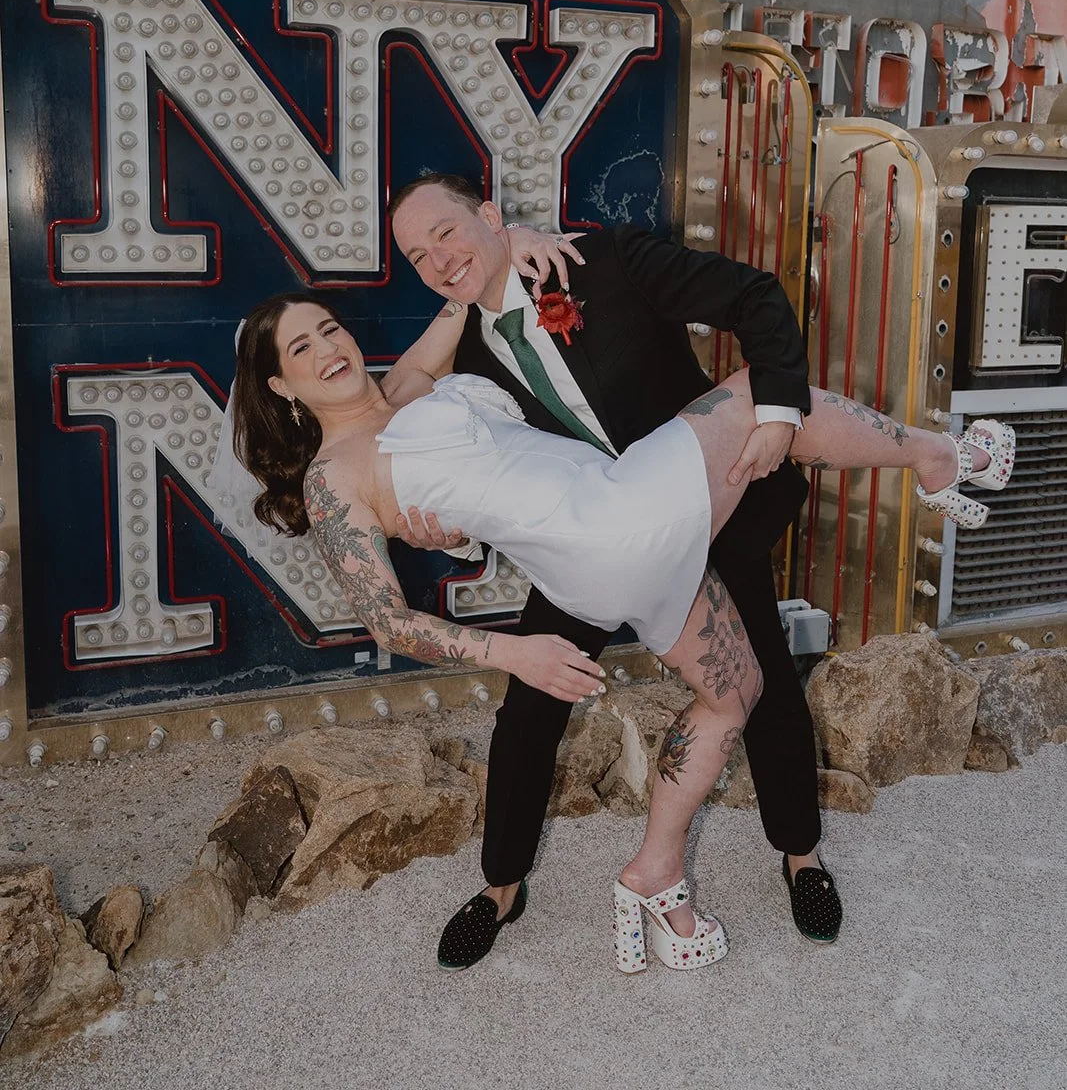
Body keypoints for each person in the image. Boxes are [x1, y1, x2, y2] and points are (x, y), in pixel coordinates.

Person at [227, 281, 1013, 973]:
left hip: (620, 544)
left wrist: (511, 245)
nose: (328, 346)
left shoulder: (402, 386)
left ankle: (656, 870)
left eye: (328, 326)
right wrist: (518, 651)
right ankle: (938, 456)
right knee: (756, 395)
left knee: (736, 693)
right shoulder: (333, 476)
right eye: (302, 346)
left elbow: (462, 296)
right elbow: (386, 621)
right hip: (609, 520)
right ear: (279, 382)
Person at [385, 174, 1007, 966]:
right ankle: (501, 886)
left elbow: (752, 296)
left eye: (445, 234)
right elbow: (476, 473)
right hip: (588, 546)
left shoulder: (600, 260)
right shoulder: (463, 358)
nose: (436, 259)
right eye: (416, 255)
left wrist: (779, 414)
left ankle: (800, 856)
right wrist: (451, 534)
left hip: (708, 509)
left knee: (767, 685)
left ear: (489, 214)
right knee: (529, 709)